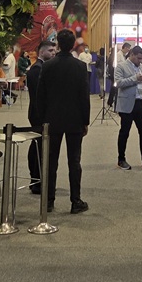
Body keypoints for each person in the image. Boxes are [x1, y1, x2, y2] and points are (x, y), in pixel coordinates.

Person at [34, 28, 91, 214]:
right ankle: (76, 201)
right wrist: (85, 121)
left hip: (52, 120)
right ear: (73, 45)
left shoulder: (47, 66)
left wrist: (42, 119)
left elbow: (40, 96)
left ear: (57, 44)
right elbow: (84, 96)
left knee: (51, 161)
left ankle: (49, 200)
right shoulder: (80, 67)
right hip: (75, 119)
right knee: (74, 161)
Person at [114, 44, 142, 170]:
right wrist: (135, 78)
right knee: (124, 132)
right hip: (127, 104)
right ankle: (121, 159)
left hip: (140, 103)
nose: (140, 61)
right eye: (138, 58)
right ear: (131, 55)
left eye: (141, 58)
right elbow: (118, 83)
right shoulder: (121, 66)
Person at [25, 39, 57, 193]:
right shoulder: (37, 69)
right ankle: (36, 180)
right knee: (38, 147)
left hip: (43, 113)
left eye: (54, 50)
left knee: (42, 146)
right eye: (50, 51)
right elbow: (39, 96)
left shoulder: (44, 68)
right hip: (38, 114)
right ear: (42, 52)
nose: (53, 53)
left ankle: (40, 179)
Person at [107, 42, 131, 109]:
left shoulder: (123, 55)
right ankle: (115, 105)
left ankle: (111, 102)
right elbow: (115, 65)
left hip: (121, 75)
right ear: (125, 47)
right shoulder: (118, 55)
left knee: (115, 90)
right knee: (115, 91)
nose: (128, 50)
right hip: (117, 75)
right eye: (128, 48)